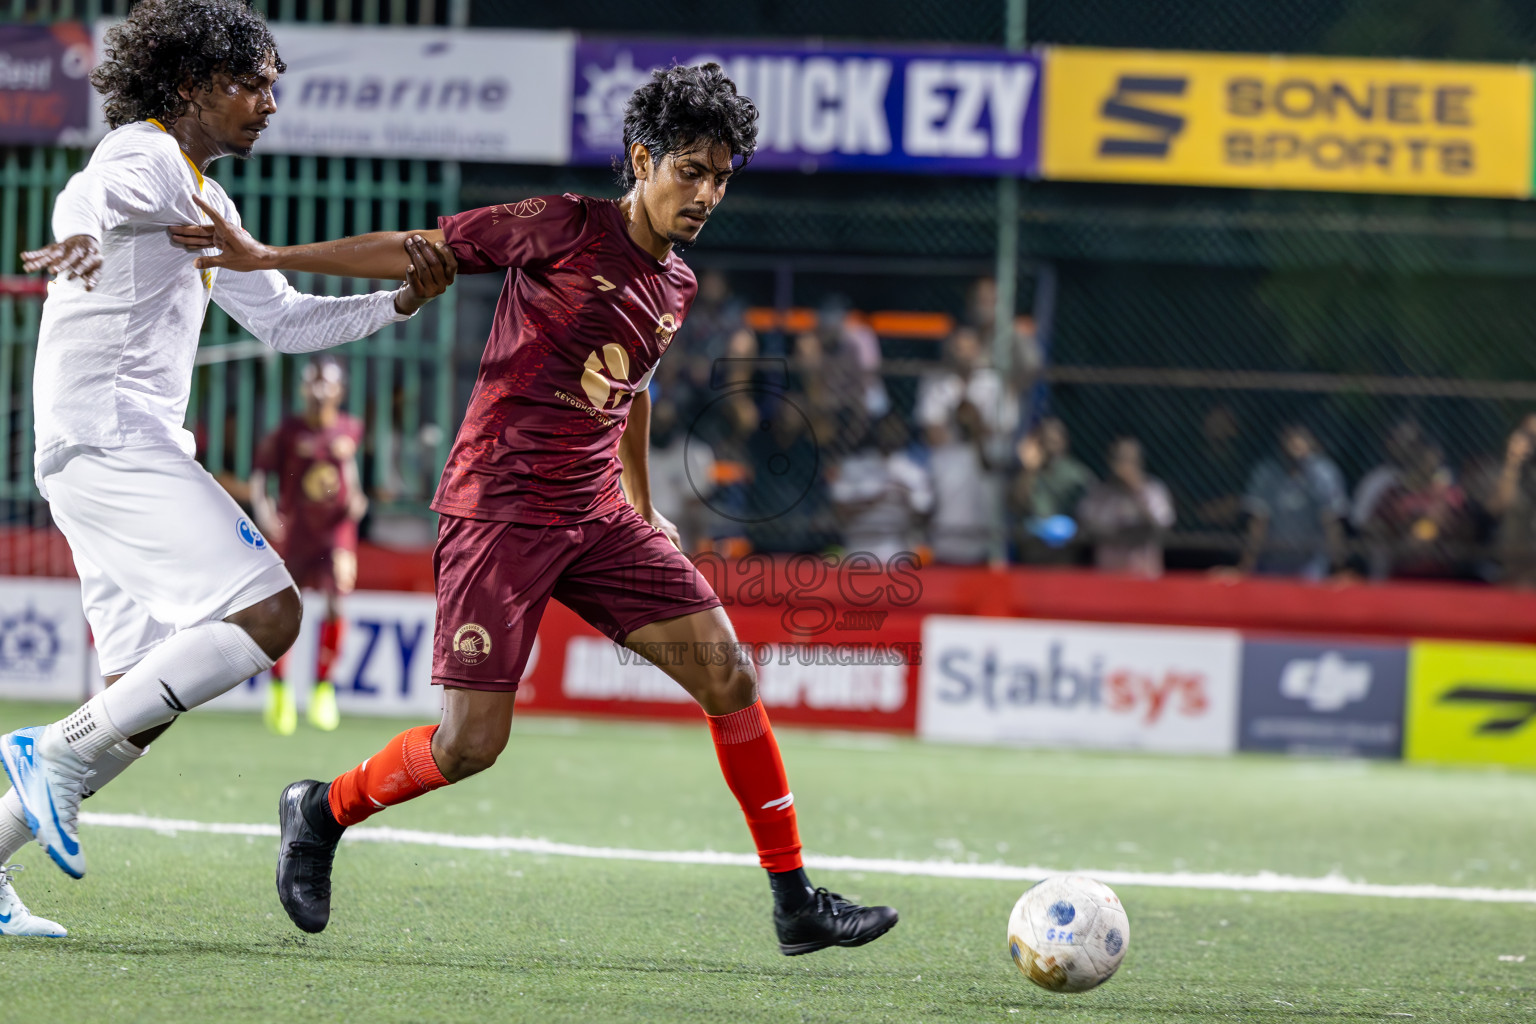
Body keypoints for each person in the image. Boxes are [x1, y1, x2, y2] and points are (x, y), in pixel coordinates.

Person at [189, 62, 897, 955]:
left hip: (597, 517)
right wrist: (267, 259)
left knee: (729, 676)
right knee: (470, 745)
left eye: (722, 177)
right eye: (691, 171)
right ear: (642, 159)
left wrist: (643, 504)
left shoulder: (675, 284)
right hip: (500, 509)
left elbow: (632, 385)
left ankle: (795, 903)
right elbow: (421, 244)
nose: (707, 194)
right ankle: (321, 811)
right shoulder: (564, 225)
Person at [0, 0, 453, 934]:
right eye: (251, 85)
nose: (270, 104)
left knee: (141, 700)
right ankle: (49, 751)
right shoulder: (148, 154)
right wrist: (73, 237)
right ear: (191, 87)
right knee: (270, 612)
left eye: (273, 87)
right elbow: (90, 193)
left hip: (97, 448)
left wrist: (398, 302)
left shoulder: (206, 198)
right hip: (113, 438)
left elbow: (284, 321)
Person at [250, 356, 368, 735]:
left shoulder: (350, 429)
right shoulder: (288, 431)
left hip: (335, 534)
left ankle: (323, 688)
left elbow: (353, 486)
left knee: (336, 603)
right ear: (303, 389)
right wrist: (264, 510)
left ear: (340, 391)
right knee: (287, 609)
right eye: (313, 383)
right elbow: (260, 474)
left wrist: (356, 495)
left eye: (326, 383)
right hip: (296, 533)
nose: (319, 392)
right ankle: (279, 689)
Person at [1238, 424, 1348, 580]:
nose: (1296, 443)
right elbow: (1258, 524)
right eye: (1291, 438)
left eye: (1301, 438)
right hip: (1270, 564)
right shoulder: (1266, 474)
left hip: (1313, 565)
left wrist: (1338, 567)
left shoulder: (1324, 474)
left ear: (1312, 443)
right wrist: (1246, 567)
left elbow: (1331, 521)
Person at [1076, 436, 1175, 578]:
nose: (1124, 465)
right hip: (1108, 575)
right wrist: (1125, 534)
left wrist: (1134, 492)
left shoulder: (1153, 490)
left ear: (1139, 462)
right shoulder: (1099, 492)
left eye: (1129, 459)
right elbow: (1088, 528)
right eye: (1119, 459)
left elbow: (1160, 527)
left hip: (1145, 575)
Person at [1012, 417, 1095, 563]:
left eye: (1054, 441)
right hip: (1033, 551)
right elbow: (1016, 504)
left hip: (1063, 553)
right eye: (1045, 441)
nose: (1050, 447)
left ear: (1064, 442)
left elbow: (1093, 506)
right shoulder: (1031, 473)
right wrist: (1029, 470)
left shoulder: (1075, 473)